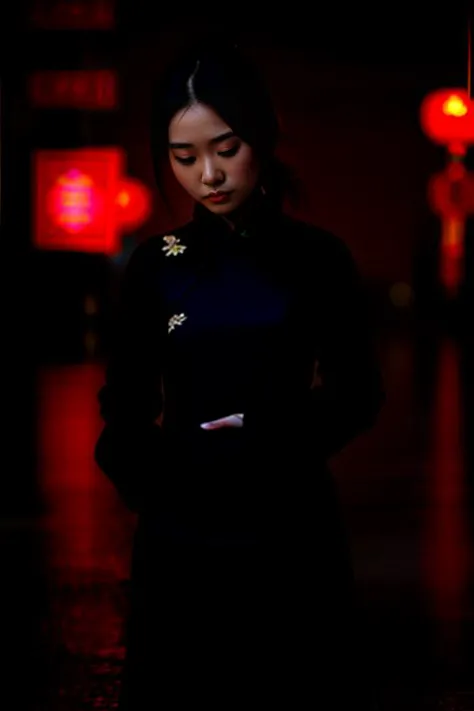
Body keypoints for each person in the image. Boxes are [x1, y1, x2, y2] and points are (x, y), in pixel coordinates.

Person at [95, 40, 385, 710]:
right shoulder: (157, 264)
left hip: (290, 528)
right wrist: (154, 478)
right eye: (184, 157)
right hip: (180, 536)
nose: (209, 175)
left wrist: (272, 436)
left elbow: (357, 391)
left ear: (263, 133)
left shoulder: (318, 258)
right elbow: (124, 406)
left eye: (226, 149)